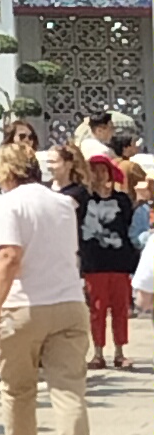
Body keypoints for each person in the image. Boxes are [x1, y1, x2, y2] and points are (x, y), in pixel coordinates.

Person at [0, 133, 94, 435]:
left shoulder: (8, 204)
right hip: (68, 302)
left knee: (17, 389)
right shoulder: (63, 204)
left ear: (6, 171)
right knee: (69, 389)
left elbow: (8, 257)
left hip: (23, 305)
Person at [77, 124, 144, 372]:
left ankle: (119, 351)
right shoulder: (84, 199)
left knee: (119, 309)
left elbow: (126, 225)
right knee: (96, 310)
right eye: (94, 170)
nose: (99, 175)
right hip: (94, 263)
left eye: (102, 170)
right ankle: (97, 353)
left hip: (118, 261)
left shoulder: (121, 200)